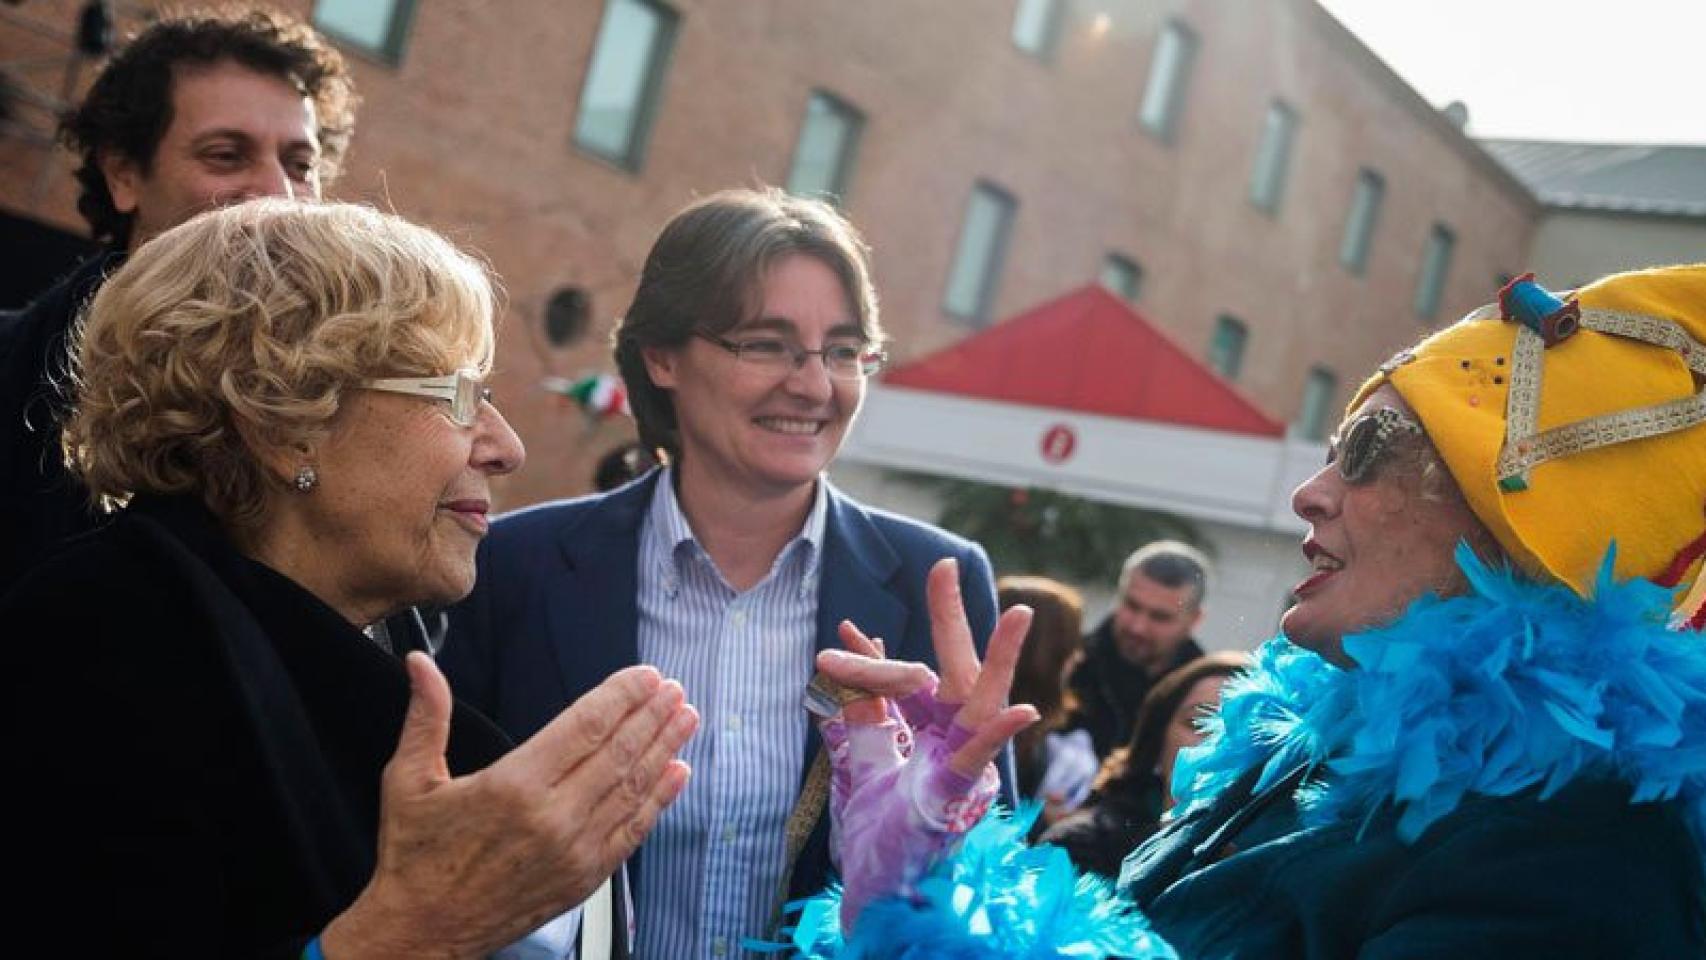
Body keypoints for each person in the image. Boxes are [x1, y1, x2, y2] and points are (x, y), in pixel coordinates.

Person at [803, 265, 1706, 958]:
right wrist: (930, 878)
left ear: (1528, 530)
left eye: (1368, 450)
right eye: (1331, 449)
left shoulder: (1587, 853)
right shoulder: (1299, 752)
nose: (1310, 493)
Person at [1, 200, 698, 957]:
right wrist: (412, 931)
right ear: (284, 425)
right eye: (458, 395)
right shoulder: (94, 640)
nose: (507, 448)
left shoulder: (385, 640)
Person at [441, 186, 1006, 957]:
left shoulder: (937, 583)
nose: (814, 385)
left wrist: (934, 840)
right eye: (767, 344)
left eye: (844, 351)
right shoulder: (513, 567)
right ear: (662, 356)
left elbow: (987, 897)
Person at [0, 6, 356, 592]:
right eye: (226, 155)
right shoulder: (13, 368)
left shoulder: (357, 407)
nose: (279, 194)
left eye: (300, 165)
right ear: (124, 175)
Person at [1040, 651, 1248, 878]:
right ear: (1158, 740)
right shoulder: (1080, 845)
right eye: (1197, 722)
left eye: (1241, 730)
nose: (1215, 742)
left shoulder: (1272, 862)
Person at [1065, 540, 1210, 759]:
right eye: (1132, 606)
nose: (1138, 627)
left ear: (1194, 619)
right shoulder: (1067, 662)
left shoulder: (1203, 696)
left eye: (1159, 617)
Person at [997, 575, 1096, 825]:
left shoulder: (1031, 738)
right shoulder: (1005, 739)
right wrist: (1041, 820)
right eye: (1071, 645)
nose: (1079, 657)